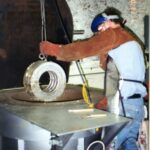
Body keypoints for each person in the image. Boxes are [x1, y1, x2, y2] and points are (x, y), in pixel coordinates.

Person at [39, 7, 147, 150]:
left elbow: (83, 48)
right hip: (137, 105)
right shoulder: (134, 42)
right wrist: (108, 99)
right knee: (129, 143)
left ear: (108, 22)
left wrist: (53, 49)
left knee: (107, 145)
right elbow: (124, 74)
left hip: (124, 105)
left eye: (100, 29)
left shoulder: (113, 34)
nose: (99, 34)